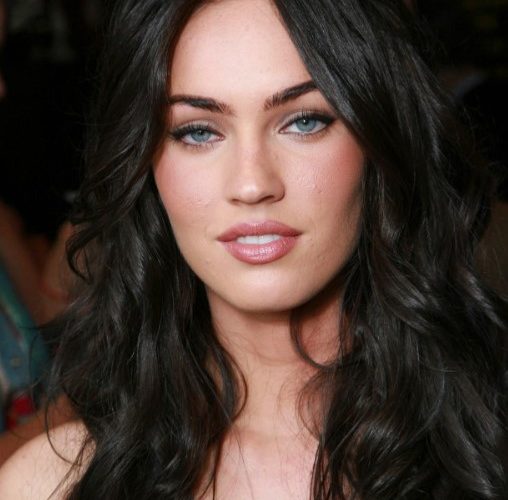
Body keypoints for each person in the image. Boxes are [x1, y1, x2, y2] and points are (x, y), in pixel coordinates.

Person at [0, 0, 506, 498]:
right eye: (198, 131)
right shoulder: (51, 483)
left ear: (379, 140)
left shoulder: (488, 444)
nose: (252, 184)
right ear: (145, 163)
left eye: (304, 121)